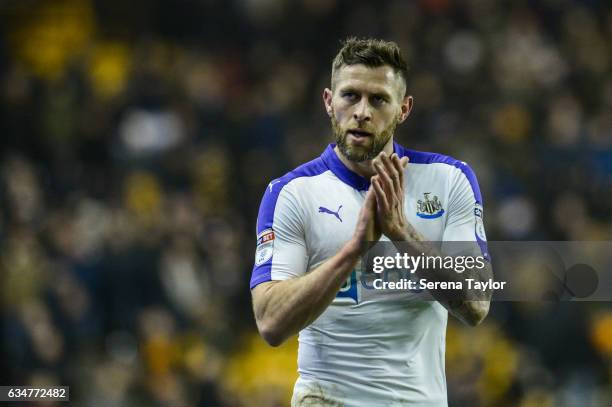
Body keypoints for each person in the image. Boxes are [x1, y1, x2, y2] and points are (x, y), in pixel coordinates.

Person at [250, 37, 493, 407]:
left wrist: (400, 233)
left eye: (378, 99)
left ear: (404, 109)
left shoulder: (448, 181)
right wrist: (353, 250)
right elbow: (270, 323)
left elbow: (476, 304)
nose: (362, 111)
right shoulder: (292, 193)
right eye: (350, 96)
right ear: (329, 102)